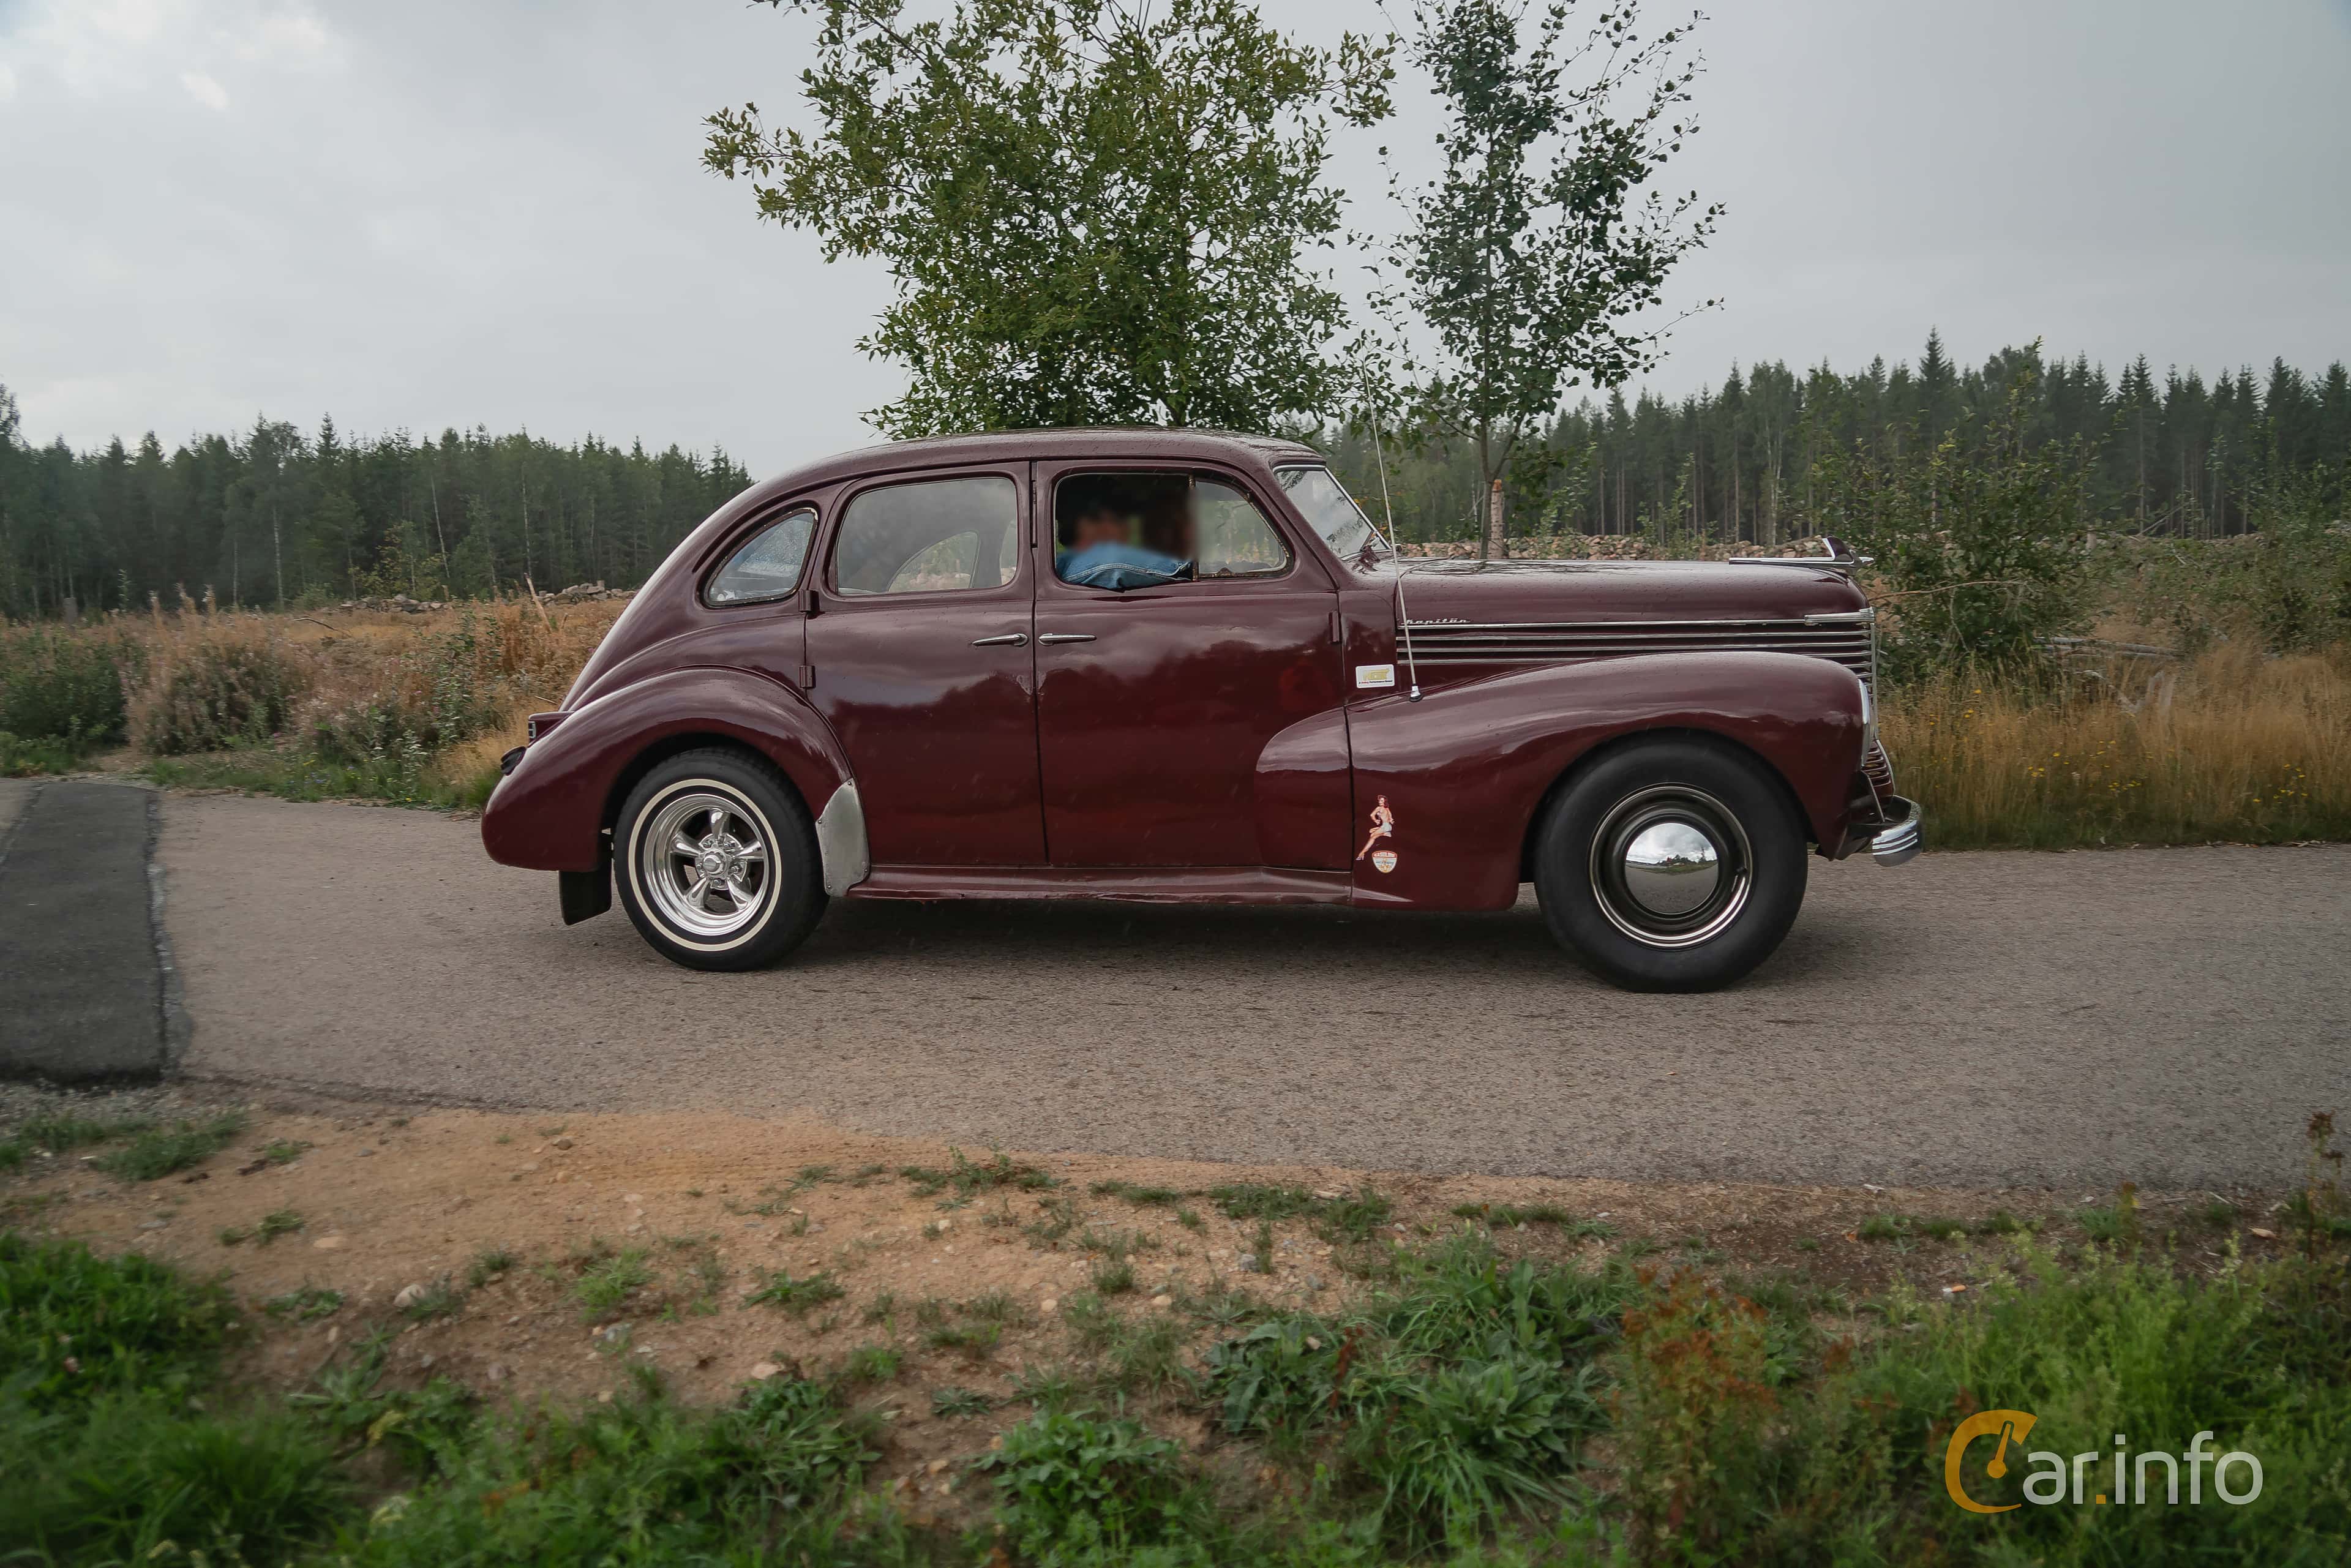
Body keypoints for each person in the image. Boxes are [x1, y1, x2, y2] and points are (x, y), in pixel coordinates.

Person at [1055, 501, 1191, 590]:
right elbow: (1115, 562)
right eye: (1116, 520)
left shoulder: (1070, 564)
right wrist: (1193, 565)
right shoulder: (1100, 561)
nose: (1126, 527)